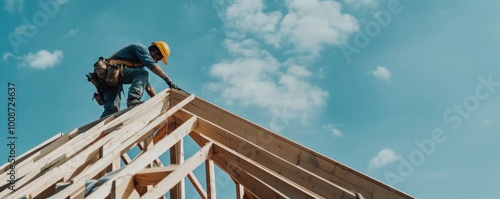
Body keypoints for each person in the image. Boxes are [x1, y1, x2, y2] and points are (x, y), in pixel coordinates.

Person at [97, 41, 178, 118]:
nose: (156, 61)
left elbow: (149, 88)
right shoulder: (140, 48)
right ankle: (133, 100)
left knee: (112, 110)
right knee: (143, 73)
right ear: (155, 52)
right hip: (108, 73)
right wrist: (168, 80)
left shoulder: (139, 65)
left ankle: (97, 130)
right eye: (158, 59)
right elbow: (151, 64)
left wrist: (159, 101)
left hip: (108, 79)